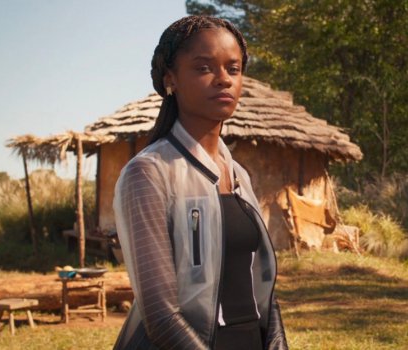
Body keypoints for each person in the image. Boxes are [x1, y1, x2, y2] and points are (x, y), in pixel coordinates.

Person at [112, 15, 288, 350]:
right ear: (171, 79)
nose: (223, 80)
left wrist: (277, 342)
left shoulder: (240, 176)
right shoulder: (149, 174)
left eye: (233, 69)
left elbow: (261, 285)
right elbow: (161, 314)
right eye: (204, 68)